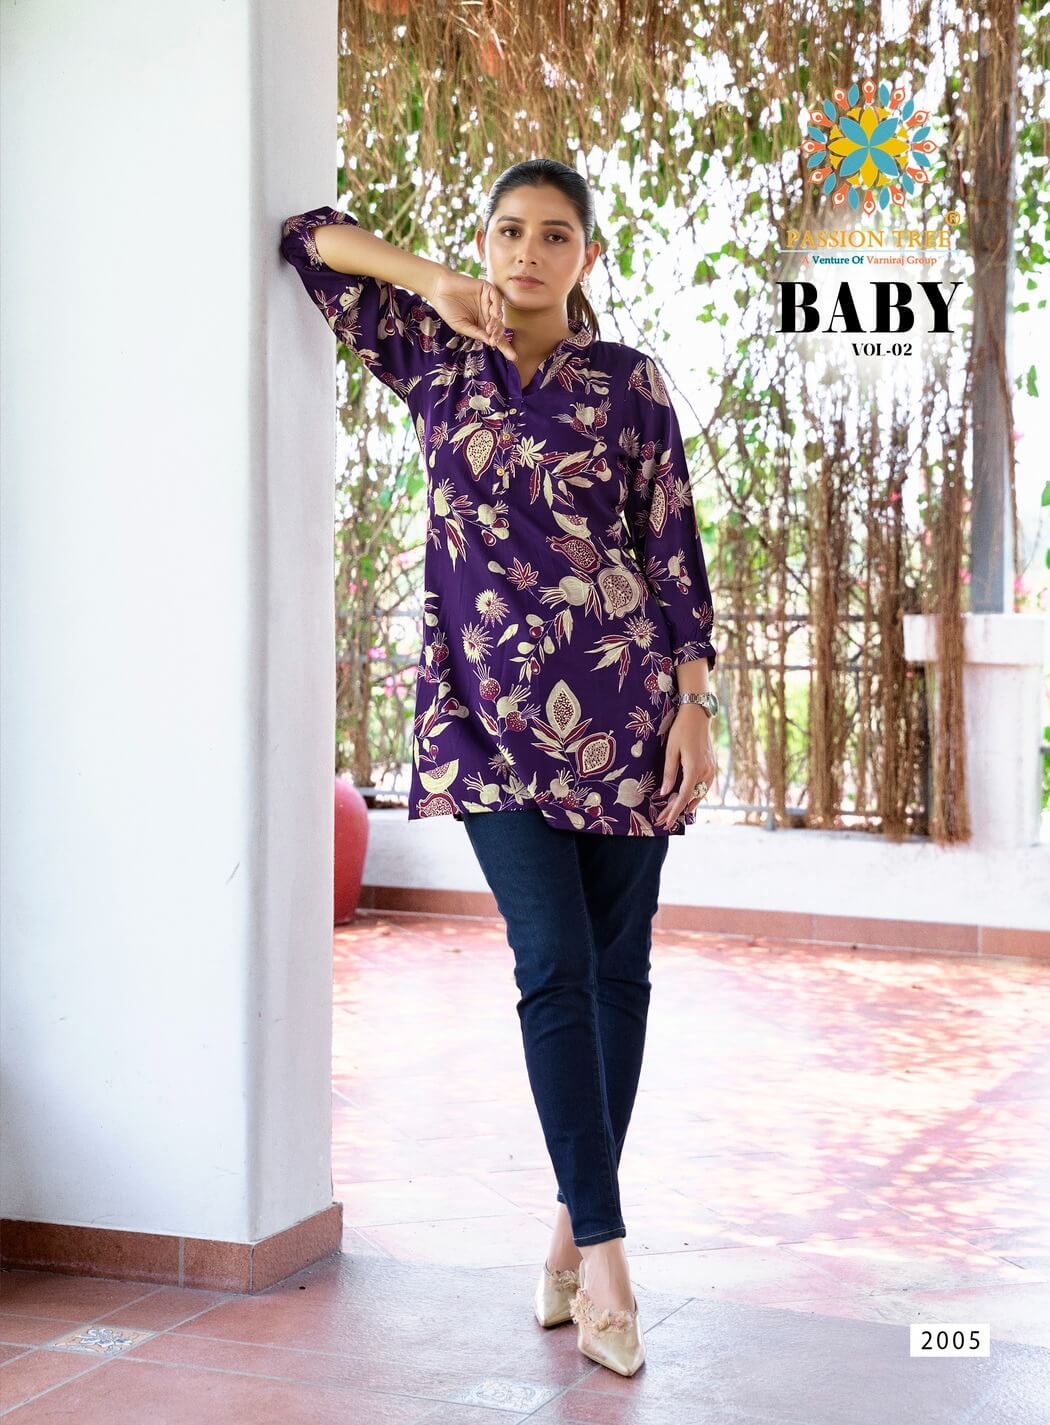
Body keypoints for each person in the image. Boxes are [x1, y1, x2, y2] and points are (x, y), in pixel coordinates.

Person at [280, 157, 718, 1377]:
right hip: (483, 729)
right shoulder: (435, 358)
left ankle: (573, 1231)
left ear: (588, 257)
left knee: (617, 974)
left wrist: (693, 705)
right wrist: (432, 280)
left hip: (626, 721)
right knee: (553, 964)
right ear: (486, 241)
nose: (529, 252)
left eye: (555, 234)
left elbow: (672, 552)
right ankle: (613, 1262)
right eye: (510, 230)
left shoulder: (629, 384)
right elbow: (309, 239)